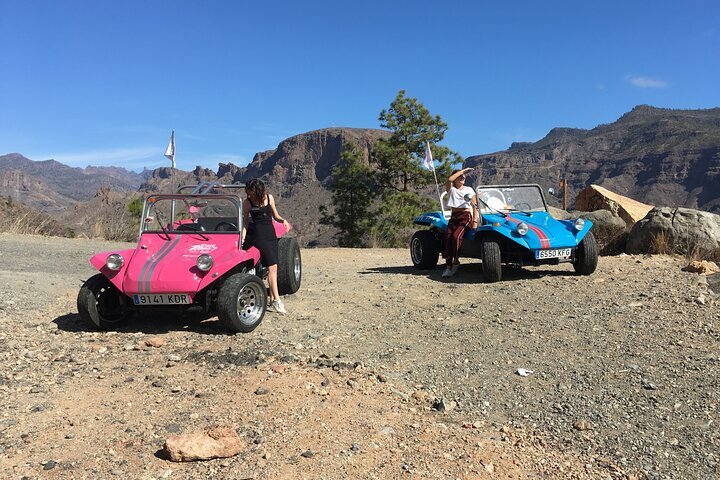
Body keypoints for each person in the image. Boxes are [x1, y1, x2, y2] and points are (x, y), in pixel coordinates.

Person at [242, 179, 291, 314]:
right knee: (272, 268)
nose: (248, 194)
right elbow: (245, 223)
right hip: (258, 236)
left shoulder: (269, 198)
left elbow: (275, 215)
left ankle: (272, 299)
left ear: (257, 190)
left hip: (270, 234)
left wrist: (283, 220)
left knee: (273, 267)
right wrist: (243, 237)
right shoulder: (247, 203)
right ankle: (277, 300)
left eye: (250, 191)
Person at [442, 167, 478, 278]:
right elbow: (449, 179)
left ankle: (456, 262)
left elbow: (474, 206)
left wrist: (475, 220)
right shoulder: (451, 190)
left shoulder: (469, 190)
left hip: (465, 216)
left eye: (463, 176)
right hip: (454, 216)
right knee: (448, 237)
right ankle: (448, 267)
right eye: (460, 176)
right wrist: (462, 171)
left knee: (456, 237)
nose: (462, 177)